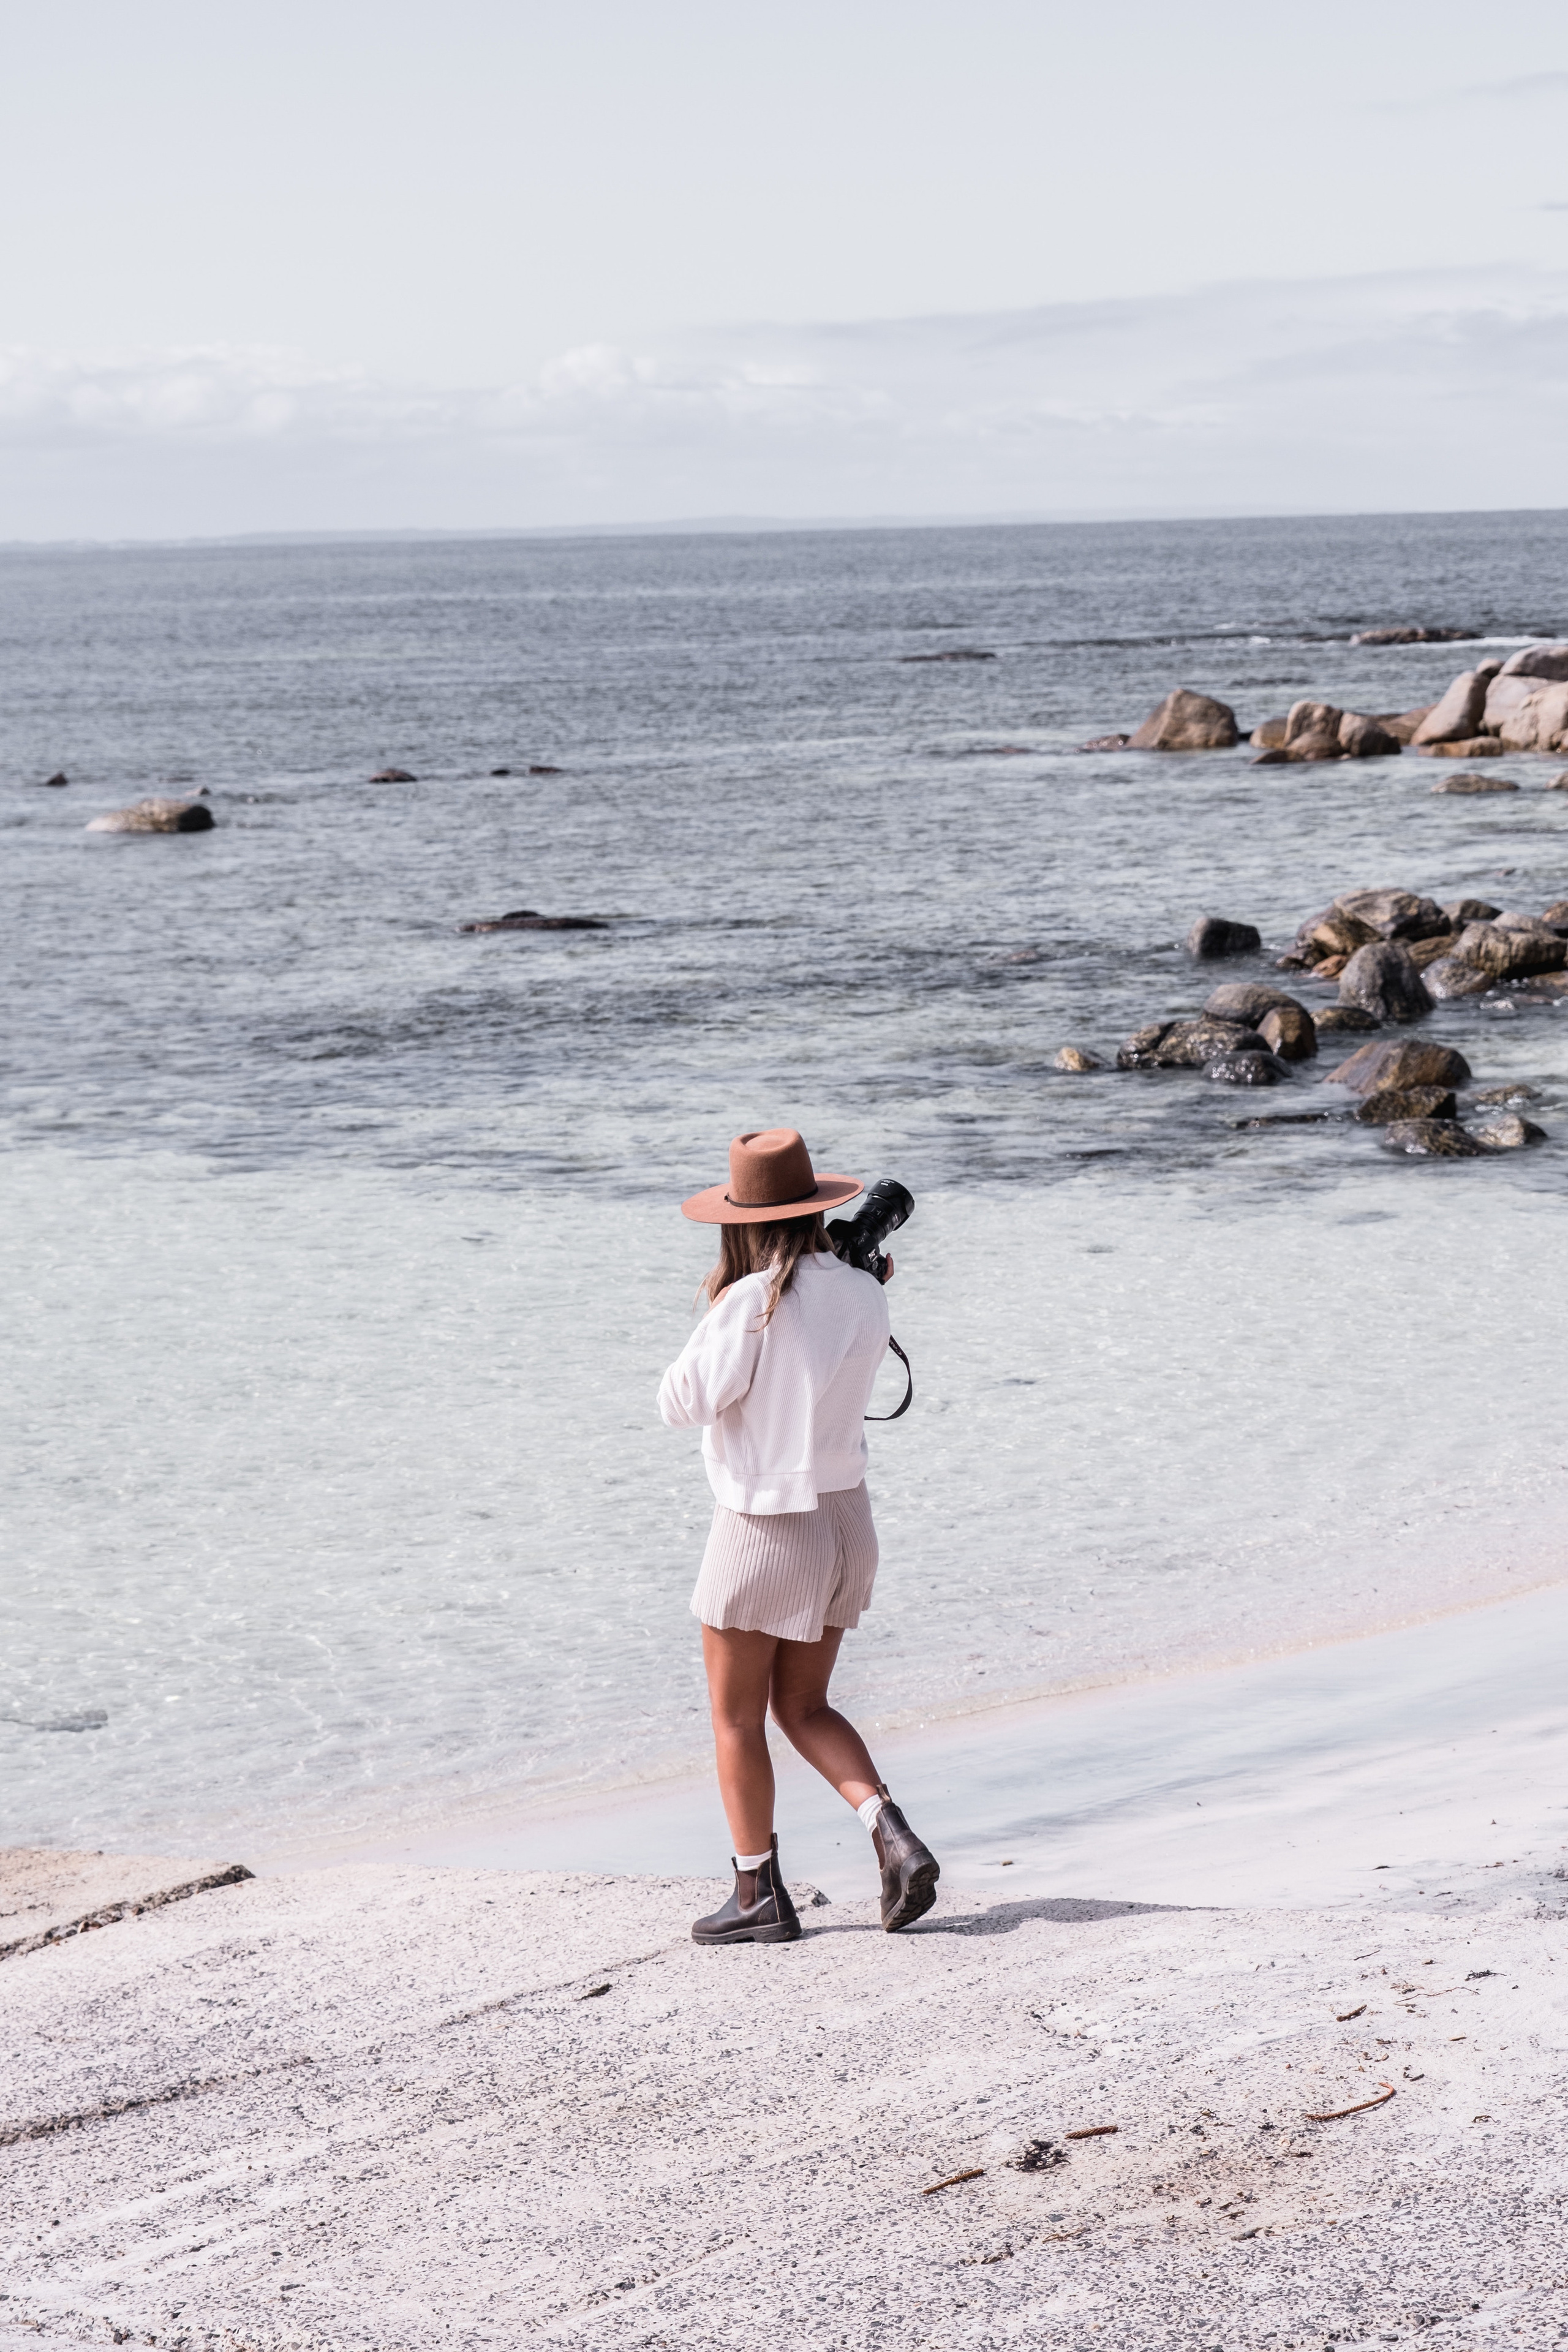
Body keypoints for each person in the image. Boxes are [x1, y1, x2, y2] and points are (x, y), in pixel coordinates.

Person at [658, 1126, 940, 1945]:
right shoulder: (866, 1291)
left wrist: (723, 1303)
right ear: (817, 1209)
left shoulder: (752, 1302)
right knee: (806, 1704)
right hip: (847, 1519)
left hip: (767, 1527)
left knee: (737, 1717)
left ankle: (756, 1894)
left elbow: (679, 1402)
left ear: (739, 1222)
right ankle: (891, 1833)